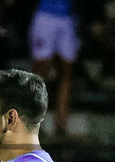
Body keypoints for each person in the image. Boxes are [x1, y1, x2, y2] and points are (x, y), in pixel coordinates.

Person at [29, 0, 79, 136]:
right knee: (41, 72)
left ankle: (61, 124)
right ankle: (36, 123)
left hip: (68, 18)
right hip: (46, 16)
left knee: (67, 73)